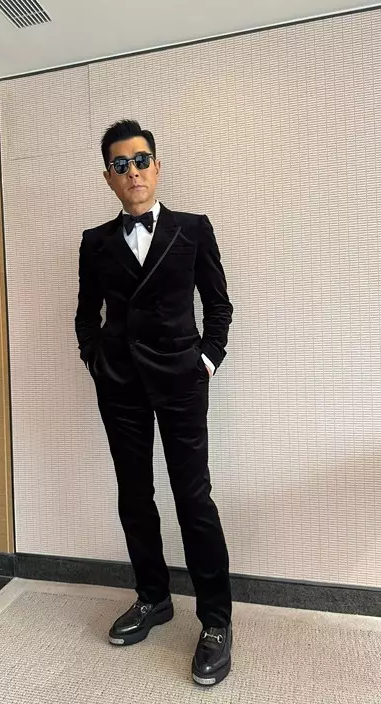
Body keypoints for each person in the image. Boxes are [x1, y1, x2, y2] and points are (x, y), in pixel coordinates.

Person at [75, 119, 234, 687]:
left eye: (141, 161)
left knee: (193, 498)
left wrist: (206, 361)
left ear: (157, 167)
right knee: (134, 496)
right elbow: (85, 314)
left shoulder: (193, 229)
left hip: (181, 381)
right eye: (121, 165)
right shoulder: (94, 242)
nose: (133, 172)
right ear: (109, 177)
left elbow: (218, 305)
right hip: (120, 385)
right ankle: (153, 597)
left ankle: (216, 621)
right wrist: (96, 361)